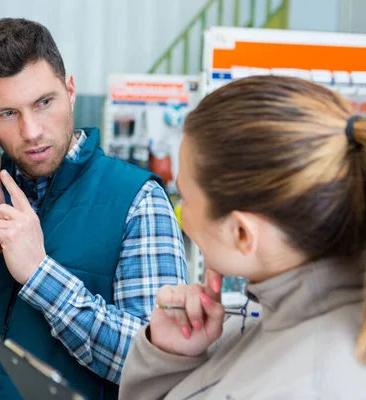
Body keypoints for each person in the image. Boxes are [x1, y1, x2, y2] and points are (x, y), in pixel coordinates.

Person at [0, 18, 187, 400]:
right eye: (7, 113)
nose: (31, 131)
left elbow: (156, 367)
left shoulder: (138, 200)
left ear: (70, 90)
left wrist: (40, 275)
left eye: (44, 102)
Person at [119, 76, 366, 399]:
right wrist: (167, 356)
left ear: (241, 234)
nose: (180, 210)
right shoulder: (265, 320)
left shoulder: (310, 387)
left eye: (186, 197)